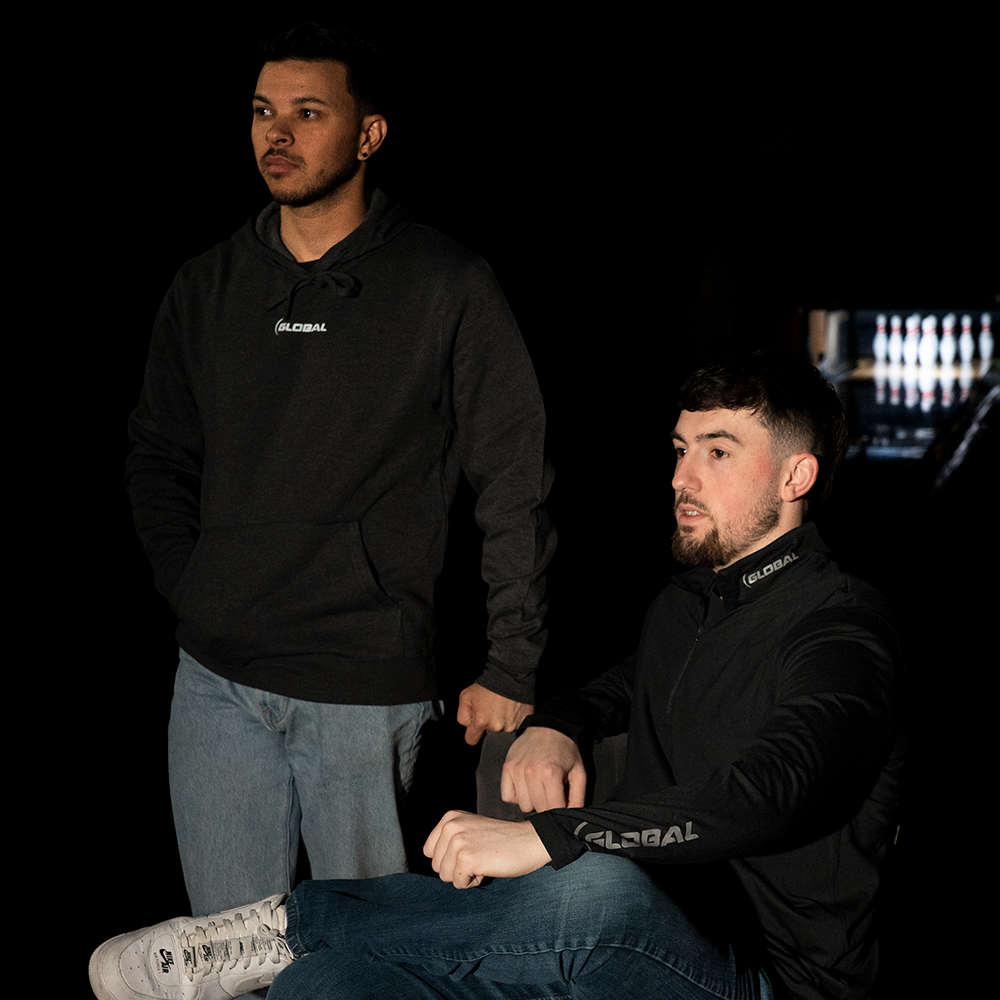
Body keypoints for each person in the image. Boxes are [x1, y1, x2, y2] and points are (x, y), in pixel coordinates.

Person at [100, 352, 903, 1000]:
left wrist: (550, 835)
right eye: (680, 449)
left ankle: (289, 925)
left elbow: (770, 791)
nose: (680, 478)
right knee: (329, 983)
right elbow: (633, 684)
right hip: (605, 953)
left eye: (717, 453)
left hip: (761, 976)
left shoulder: (845, 631)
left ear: (795, 478)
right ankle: (307, 950)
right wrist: (559, 722)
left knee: (599, 890)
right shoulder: (688, 604)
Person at [124, 21, 554, 920]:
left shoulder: (446, 282)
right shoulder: (207, 285)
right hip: (216, 678)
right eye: (261, 112)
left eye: (308, 113)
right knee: (227, 960)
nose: (276, 134)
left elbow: (515, 476)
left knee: (363, 953)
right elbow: (158, 453)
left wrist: (512, 660)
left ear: (369, 134)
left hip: (361, 685)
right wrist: (196, 588)